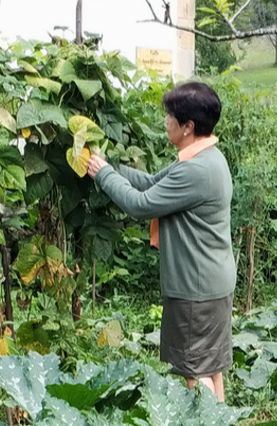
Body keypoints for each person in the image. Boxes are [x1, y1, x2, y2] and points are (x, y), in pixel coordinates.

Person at [85, 82, 235, 402]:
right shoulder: (207, 156)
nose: (165, 121)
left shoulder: (195, 170)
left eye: (170, 116)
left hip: (195, 288)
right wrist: (109, 166)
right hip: (212, 282)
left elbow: (141, 205)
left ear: (188, 127)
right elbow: (153, 183)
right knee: (210, 366)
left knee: (193, 372)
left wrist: (103, 176)